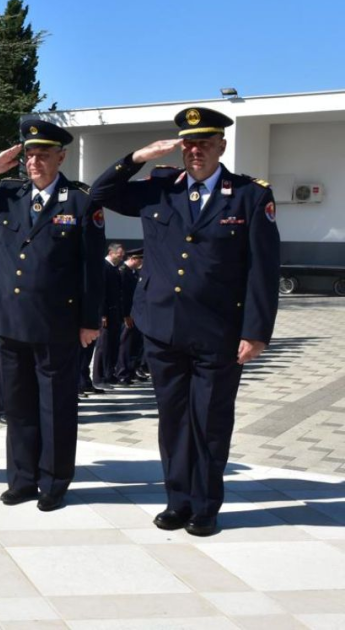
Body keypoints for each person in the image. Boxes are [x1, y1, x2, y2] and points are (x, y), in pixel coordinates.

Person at [90, 106, 280, 536]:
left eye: (205, 143)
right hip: (161, 328)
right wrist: (137, 158)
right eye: (190, 143)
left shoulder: (250, 195)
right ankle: (178, 500)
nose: (196, 151)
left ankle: (207, 506)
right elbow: (100, 195)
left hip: (219, 332)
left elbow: (263, 270)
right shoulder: (159, 188)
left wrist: (256, 332)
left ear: (221, 147)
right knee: (173, 419)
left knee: (210, 421)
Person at [0, 119, 104, 511]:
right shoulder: (7, 196)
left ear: (61, 156)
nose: (34, 161)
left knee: (55, 408)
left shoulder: (81, 202)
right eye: (29, 154)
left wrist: (90, 321)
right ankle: (21, 480)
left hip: (56, 323)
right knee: (18, 407)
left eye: (43, 154)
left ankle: (54, 483)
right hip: (8, 321)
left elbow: (92, 268)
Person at [92, 242, 126, 389]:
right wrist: (103, 314)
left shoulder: (114, 268)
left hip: (115, 312)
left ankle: (109, 374)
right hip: (106, 312)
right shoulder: (104, 267)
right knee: (103, 346)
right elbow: (101, 293)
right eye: (119, 254)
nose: (121, 257)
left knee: (112, 345)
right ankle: (99, 377)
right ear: (111, 253)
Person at [115, 247, 144, 385]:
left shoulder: (133, 273)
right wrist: (126, 314)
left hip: (134, 313)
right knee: (125, 345)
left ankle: (130, 371)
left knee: (133, 344)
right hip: (126, 315)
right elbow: (122, 296)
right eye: (140, 259)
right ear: (133, 258)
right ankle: (122, 372)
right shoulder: (123, 272)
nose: (141, 262)